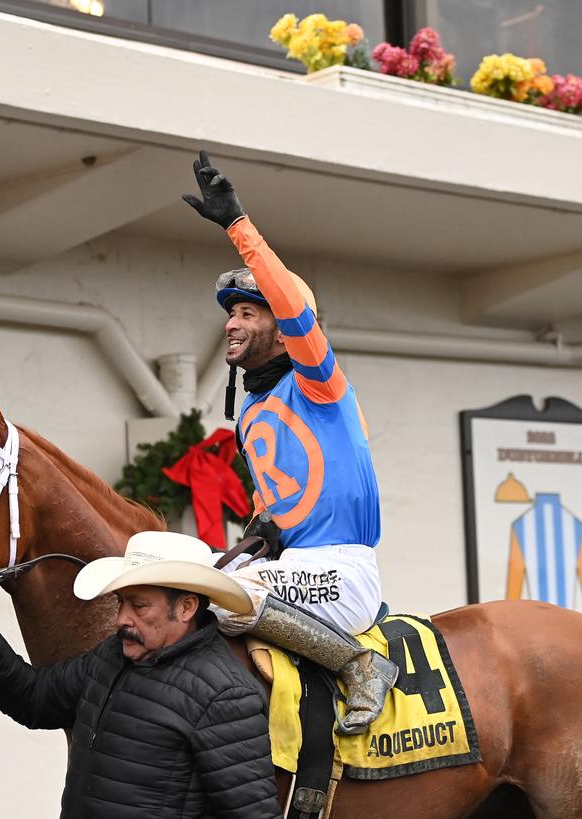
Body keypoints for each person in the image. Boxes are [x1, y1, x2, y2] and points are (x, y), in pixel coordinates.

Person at [182, 150, 397, 735]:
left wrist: (238, 226)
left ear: (281, 331)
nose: (232, 323)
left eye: (250, 313)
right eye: (232, 314)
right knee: (184, 568)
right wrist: (260, 530)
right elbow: (276, 497)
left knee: (231, 595)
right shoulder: (251, 408)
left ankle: (361, 665)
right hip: (291, 568)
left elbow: (296, 307)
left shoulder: (319, 382)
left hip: (341, 571)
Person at [0, 531, 281, 819]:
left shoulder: (224, 694)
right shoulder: (111, 655)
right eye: (121, 603)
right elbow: (36, 699)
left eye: (139, 606)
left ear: (187, 607)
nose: (121, 619)